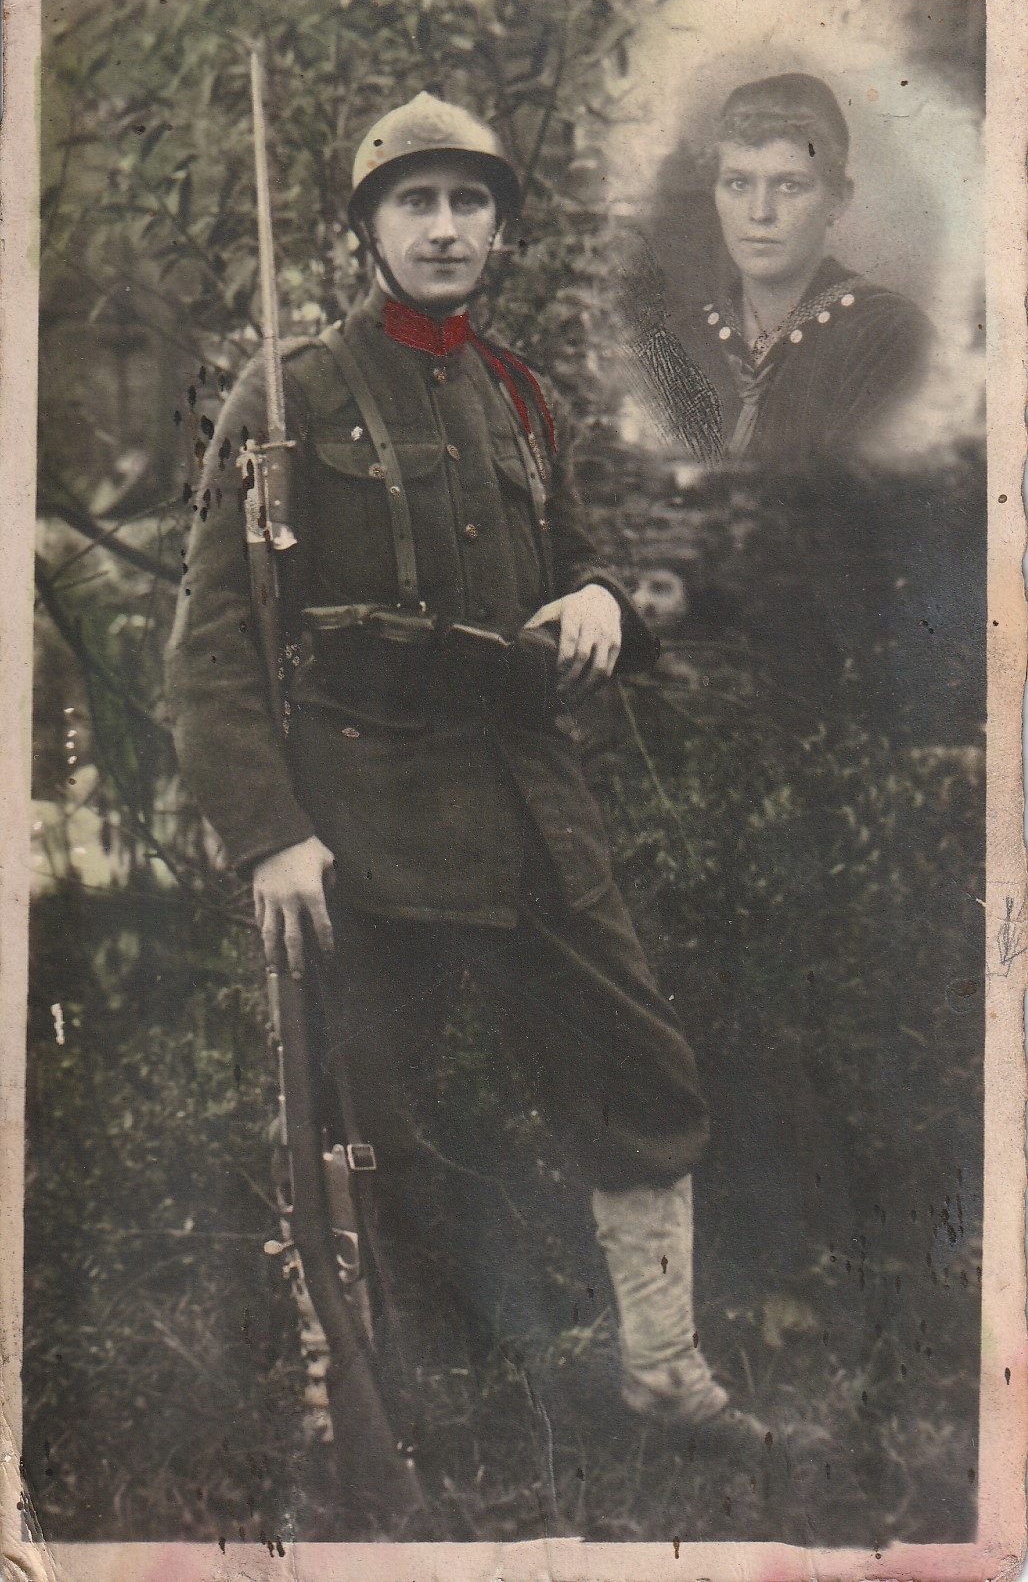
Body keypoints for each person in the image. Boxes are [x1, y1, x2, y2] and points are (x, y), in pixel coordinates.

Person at [165, 91, 760, 1461]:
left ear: (499, 228)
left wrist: (600, 595)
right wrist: (267, 833)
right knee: (369, 1124)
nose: (443, 228)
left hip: (530, 804)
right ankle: (370, 1408)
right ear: (368, 228)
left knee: (643, 1070)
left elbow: (574, 552)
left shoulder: (519, 394)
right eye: (415, 202)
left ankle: (662, 1375)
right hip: (365, 822)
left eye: (468, 202)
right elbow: (209, 642)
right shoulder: (289, 396)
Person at [673, 72, 932, 464]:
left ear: (838, 199)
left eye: (789, 185)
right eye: (738, 184)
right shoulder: (679, 339)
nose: (760, 213)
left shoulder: (889, 336)